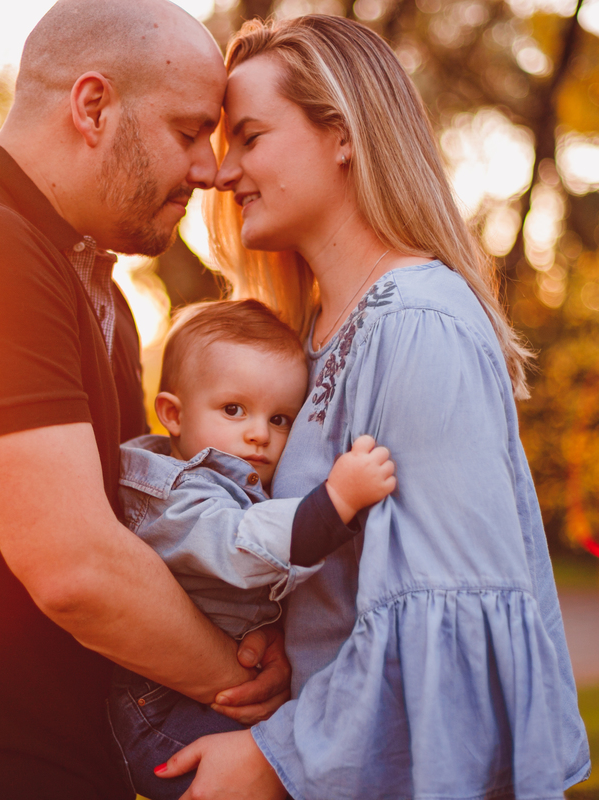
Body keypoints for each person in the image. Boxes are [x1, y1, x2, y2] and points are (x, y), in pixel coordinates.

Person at [0, 2, 290, 797]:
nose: (209, 171)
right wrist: (249, 691)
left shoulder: (83, 279)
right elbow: (78, 568)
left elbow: (145, 530)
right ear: (93, 106)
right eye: (187, 131)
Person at [157, 15, 592, 800]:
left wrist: (272, 760)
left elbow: (444, 623)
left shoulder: (419, 324)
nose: (222, 174)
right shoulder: (309, 341)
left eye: (249, 136)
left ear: (342, 135)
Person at [107, 299, 396, 799]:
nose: (259, 433)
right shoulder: (174, 496)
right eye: (234, 409)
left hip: (207, 689)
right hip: (158, 706)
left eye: (281, 418)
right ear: (173, 414)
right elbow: (238, 546)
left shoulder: (229, 480)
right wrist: (336, 503)